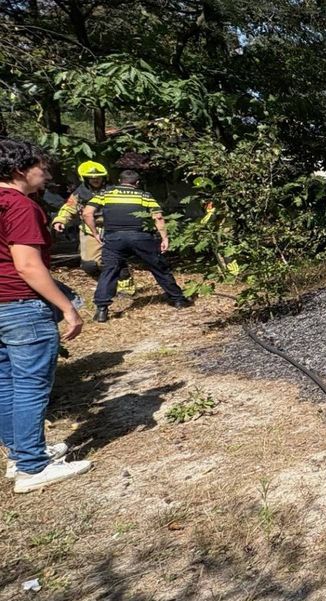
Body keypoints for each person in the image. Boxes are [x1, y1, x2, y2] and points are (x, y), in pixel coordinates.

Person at [0, 138, 94, 492]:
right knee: (30, 385)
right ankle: (32, 467)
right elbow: (27, 265)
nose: (47, 175)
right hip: (20, 305)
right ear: (19, 170)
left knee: (6, 382)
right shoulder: (20, 206)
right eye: (41, 168)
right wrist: (68, 307)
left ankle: (20, 455)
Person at [81, 170, 191, 323]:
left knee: (109, 271)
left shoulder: (105, 193)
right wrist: (164, 238)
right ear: (137, 183)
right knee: (158, 267)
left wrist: (95, 233)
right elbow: (158, 216)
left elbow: (87, 213)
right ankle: (178, 299)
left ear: (119, 181)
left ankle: (101, 310)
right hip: (140, 237)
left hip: (114, 238)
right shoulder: (144, 195)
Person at [51, 160, 135, 294]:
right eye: (92, 178)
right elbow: (68, 208)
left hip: (113, 229)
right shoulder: (79, 194)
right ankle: (106, 282)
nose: (96, 180)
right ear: (85, 179)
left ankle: (125, 288)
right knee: (89, 265)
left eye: (98, 177)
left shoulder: (114, 191)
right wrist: (60, 221)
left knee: (116, 260)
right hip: (90, 231)